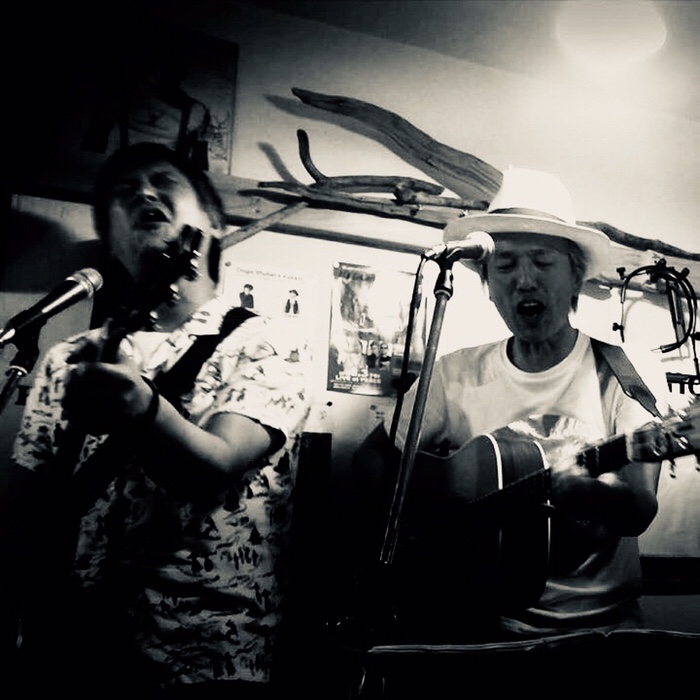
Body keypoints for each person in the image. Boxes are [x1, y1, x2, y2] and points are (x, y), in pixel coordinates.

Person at [7, 142, 311, 698]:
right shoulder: (66, 357)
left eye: (164, 182)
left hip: (207, 657)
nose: (144, 193)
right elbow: (25, 506)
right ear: (110, 237)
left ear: (213, 221)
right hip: (73, 649)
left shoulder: (268, 340)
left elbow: (214, 466)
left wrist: (141, 407)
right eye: (125, 192)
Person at [351, 167, 668, 654]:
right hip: (474, 626)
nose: (524, 280)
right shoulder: (453, 373)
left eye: (542, 262)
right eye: (505, 266)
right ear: (487, 283)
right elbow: (371, 460)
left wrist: (593, 494)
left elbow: (640, 508)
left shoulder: (626, 370)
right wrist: (420, 527)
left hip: (599, 637)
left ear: (575, 277)